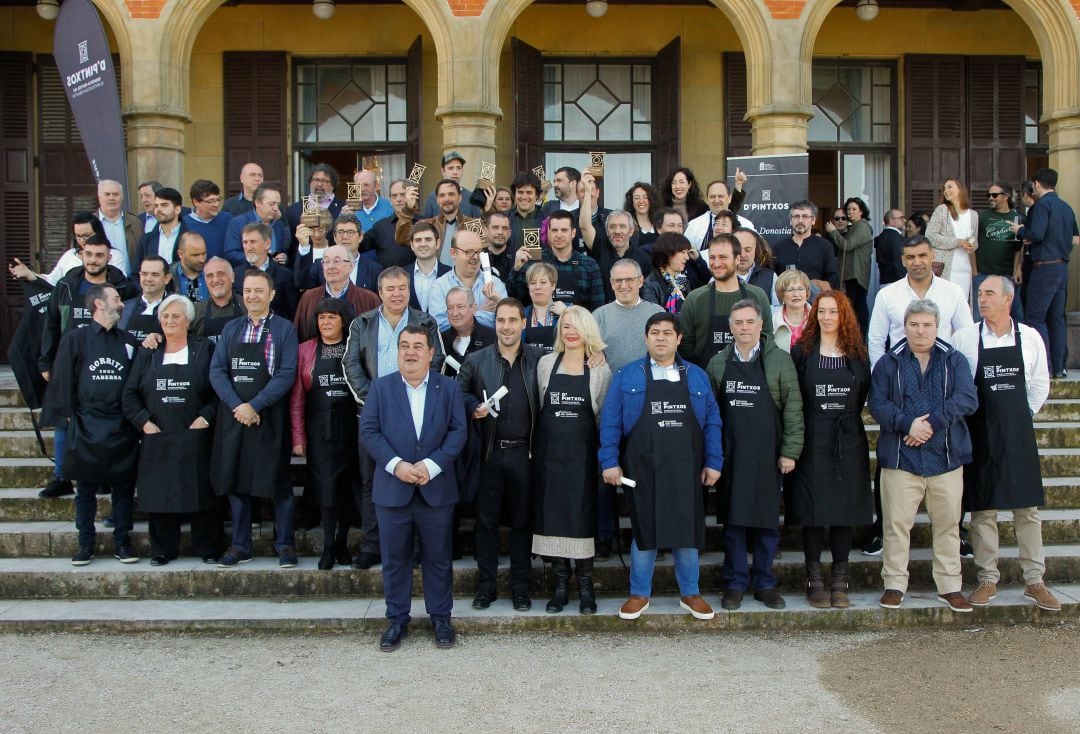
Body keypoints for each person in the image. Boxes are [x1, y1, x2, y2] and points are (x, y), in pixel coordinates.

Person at [599, 312, 722, 621]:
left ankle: (690, 593)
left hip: (687, 467)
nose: (661, 338)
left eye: (668, 332)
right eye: (655, 332)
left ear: (679, 339)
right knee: (645, 530)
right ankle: (639, 594)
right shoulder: (626, 376)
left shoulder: (697, 376)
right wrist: (609, 461)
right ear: (646, 338)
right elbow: (610, 423)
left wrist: (714, 461)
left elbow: (712, 424)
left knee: (688, 531)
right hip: (642, 467)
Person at [952, 276, 1060, 612]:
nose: (982, 300)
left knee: (1027, 509)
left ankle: (1035, 580)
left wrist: (1020, 415)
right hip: (980, 432)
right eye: (980, 294)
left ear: (1007, 299)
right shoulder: (965, 338)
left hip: (1018, 433)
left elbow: (1040, 383)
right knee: (983, 509)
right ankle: (987, 578)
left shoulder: (1029, 338)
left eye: (989, 294)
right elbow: (958, 386)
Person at [863, 235, 974, 556]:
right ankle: (882, 530)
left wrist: (963, 382)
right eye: (910, 257)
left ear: (932, 255)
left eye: (923, 255)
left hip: (944, 385)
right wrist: (881, 382)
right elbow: (875, 339)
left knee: (953, 463)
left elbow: (966, 338)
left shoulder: (952, 292)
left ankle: (960, 530)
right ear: (903, 260)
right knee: (890, 463)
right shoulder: (888, 294)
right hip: (899, 384)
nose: (917, 262)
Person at [360, 325, 468, 651]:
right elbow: (369, 431)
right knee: (394, 559)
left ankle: (440, 619)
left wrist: (430, 466)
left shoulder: (448, 388)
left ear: (431, 353)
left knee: (438, 558)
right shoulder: (381, 388)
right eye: (404, 345)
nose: (410, 352)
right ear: (397, 352)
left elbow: (458, 433)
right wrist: (398, 465)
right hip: (393, 488)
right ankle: (396, 619)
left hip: (436, 489)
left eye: (418, 346)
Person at [868, 299, 978, 612]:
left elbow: (967, 398)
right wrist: (907, 424)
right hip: (901, 458)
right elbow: (877, 403)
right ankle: (894, 584)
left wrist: (930, 424)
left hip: (945, 457)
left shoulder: (953, 360)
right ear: (905, 326)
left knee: (948, 526)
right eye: (914, 324)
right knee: (896, 525)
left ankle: (949, 585)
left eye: (927, 324)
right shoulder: (889, 363)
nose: (920, 330)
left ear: (937, 326)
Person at [342, 266, 444, 569]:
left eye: (402, 288)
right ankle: (373, 545)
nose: (396, 294)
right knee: (371, 481)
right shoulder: (363, 322)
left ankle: (413, 548)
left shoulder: (424, 322)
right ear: (380, 291)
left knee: (414, 479)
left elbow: (435, 361)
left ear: (408, 290)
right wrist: (374, 402)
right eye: (390, 289)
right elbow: (351, 365)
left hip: (415, 414)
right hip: (372, 416)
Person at [707, 299, 803, 610]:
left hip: (768, 455)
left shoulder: (780, 361)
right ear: (730, 327)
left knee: (766, 524)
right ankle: (734, 583)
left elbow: (793, 409)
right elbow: (710, 416)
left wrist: (789, 451)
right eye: (738, 323)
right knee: (734, 524)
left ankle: (765, 583)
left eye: (750, 322)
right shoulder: (718, 363)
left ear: (761, 325)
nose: (744, 328)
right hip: (732, 455)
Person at [41, 284, 139, 565]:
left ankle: (123, 542)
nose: (121, 304)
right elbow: (62, 382)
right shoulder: (75, 339)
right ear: (99, 304)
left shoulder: (127, 339)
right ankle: (85, 544)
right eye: (116, 299)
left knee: (123, 488)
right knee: (84, 489)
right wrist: (71, 419)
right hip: (86, 423)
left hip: (121, 425)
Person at [209, 269, 300, 568]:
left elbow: (287, 373)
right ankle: (240, 545)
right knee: (237, 483)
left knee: (279, 484)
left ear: (271, 294)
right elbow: (217, 371)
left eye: (259, 291)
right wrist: (238, 406)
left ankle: (285, 544)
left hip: (270, 418)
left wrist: (256, 405)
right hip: (235, 418)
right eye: (247, 291)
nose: (252, 296)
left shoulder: (284, 329)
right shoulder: (231, 329)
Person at [457, 299, 543, 611]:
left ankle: (521, 587)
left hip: (525, 453)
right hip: (489, 454)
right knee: (486, 523)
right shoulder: (477, 360)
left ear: (524, 323)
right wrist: (472, 408)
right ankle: (487, 587)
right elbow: (458, 393)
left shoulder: (539, 359)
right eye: (500, 320)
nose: (506, 326)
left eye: (512, 320)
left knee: (523, 523)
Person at [122, 295, 222, 565]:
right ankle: (163, 549)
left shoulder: (205, 349)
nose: (169, 321)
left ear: (188, 320)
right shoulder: (148, 350)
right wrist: (143, 422)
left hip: (195, 434)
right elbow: (129, 393)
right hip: (158, 436)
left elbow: (219, 390)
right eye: (165, 317)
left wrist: (206, 417)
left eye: (175, 316)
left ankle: (208, 548)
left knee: (201, 492)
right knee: (160, 494)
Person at [787, 291, 872, 608]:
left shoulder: (857, 354)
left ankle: (840, 580)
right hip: (812, 439)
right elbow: (794, 398)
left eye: (833, 312)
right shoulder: (801, 352)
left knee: (844, 511)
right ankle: (814, 580)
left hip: (847, 438)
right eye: (821, 311)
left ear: (843, 315)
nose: (826, 317)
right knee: (813, 512)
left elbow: (863, 393)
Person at [37, 236, 136, 500]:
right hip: (71, 358)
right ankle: (61, 476)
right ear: (81, 255)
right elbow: (50, 323)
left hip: (106, 359)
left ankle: (100, 472)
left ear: (108, 257)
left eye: (99, 255)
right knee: (63, 418)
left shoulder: (122, 287)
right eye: (88, 254)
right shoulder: (66, 285)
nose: (93, 260)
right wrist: (46, 361)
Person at [533, 306, 612, 614]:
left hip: (583, 460)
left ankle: (585, 587)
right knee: (551, 520)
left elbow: (604, 416)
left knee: (582, 522)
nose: (570, 331)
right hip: (549, 458)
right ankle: (560, 585)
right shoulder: (545, 364)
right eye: (565, 326)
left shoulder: (599, 370)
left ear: (587, 330)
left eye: (576, 326)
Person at [593, 259, 664, 558]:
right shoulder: (599, 316)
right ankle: (606, 536)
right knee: (605, 475)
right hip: (610, 407)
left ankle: (652, 533)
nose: (623, 285)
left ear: (640, 281)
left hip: (649, 409)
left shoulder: (656, 314)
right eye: (617, 281)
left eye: (629, 280)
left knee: (649, 477)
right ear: (610, 284)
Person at [290, 298, 360, 570]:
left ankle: (342, 541)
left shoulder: (353, 347)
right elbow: (297, 399)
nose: (326, 323)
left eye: (332, 317)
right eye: (322, 318)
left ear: (343, 320)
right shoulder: (306, 350)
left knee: (346, 489)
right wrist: (298, 437)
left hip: (351, 428)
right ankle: (329, 546)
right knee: (327, 491)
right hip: (319, 431)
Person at [1012, 168, 1078, 378]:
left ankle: (1044, 367)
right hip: (1061, 266)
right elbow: (1073, 238)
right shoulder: (1066, 207)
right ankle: (1059, 367)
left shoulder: (1042, 205)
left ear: (1037, 184)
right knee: (1057, 317)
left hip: (1045, 266)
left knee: (1035, 317)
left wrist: (1020, 231)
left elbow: (1036, 234)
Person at [677, 234, 772, 368]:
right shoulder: (695, 299)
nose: (716, 263)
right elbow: (685, 344)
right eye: (712, 257)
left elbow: (767, 339)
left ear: (737, 259)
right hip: (706, 380)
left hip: (748, 381)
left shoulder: (757, 295)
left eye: (723, 257)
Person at [508, 210, 605, 312]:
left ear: (573, 233)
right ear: (548, 233)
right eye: (554, 230)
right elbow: (515, 297)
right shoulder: (534, 261)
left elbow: (597, 310)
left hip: (577, 326)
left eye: (564, 230)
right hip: (541, 326)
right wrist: (517, 268)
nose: (559, 235)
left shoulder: (589, 265)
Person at [291, 244, 381, 342]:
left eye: (337, 261)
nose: (330, 267)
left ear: (351, 266)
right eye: (326, 261)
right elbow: (298, 337)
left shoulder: (369, 299)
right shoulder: (309, 298)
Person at [579, 181, 652, 301]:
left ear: (631, 230)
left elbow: (648, 291)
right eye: (612, 227)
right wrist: (587, 192)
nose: (617, 231)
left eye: (622, 226)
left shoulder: (643, 258)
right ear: (607, 231)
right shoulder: (599, 247)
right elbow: (584, 226)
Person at [7, 212, 124, 285]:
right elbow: (52, 281)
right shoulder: (70, 255)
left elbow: (118, 283)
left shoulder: (114, 255)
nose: (82, 240)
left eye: (87, 235)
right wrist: (28, 273)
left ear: (98, 232)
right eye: (78, 236)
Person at [428, 230, 507, 332]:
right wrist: (477, 313)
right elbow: (440, 326)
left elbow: (504, 324)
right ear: (453, 253)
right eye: (468, 252)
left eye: (478, 251)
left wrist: (460, 318)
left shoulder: (495, 284)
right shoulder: (440, 286)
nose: (475, 257)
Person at [295, 211, 382, 293]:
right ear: (334, 237)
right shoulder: (320, 264)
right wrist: (304, 246)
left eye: (350, 232)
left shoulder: (374, 269)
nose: (345, 236)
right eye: (340, 232)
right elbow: (302, 283)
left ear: (360, 237)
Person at [974, 183, 1024, 322]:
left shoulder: (1017, 218)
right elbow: (972, 244)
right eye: (988, 195)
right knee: (979, 315)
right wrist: (974, 272)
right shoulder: (982, 216)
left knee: (1015, 313)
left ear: (1006, 196)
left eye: (995, 195)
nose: (991, 198)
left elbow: (1019, 248)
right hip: (983, 274)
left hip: (1007, 275)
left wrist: (1017, 269)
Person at [232, 222, 300, 321]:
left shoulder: (285, 275)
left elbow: (293, 313)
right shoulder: (236, 275)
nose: (248, 247)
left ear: (267, 243)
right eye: (245, 242)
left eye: (253, 242)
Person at [825, 197, 873, 334]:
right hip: (851, 274)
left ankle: (860, 343)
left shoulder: (862, 226)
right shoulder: (855, 227)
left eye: (854, 209)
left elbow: (847, 245)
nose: (850, 212)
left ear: (861, 212)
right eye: (849, 209)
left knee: (858, 311)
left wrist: (833, 231)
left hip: (856, 275)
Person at [927, 178, 979, 301]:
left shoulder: (973, 215)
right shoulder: (942, 210)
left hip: (965, 270)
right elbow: (930, 236)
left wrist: (972, 246)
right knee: (943, 305)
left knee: (961, 306)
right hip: (945, 269)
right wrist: (958, 242)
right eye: (944, 188)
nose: (946, 190)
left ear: (960, 189)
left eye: (950, 187)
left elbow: (975, 241)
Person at [772, 201, 839, 292]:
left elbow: (834, 279)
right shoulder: (779, 248)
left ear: (813, 220)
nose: (800, 220)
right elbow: (772, 279)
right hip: (786, 303)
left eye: (805, 216)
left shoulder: (825, 246)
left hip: (816, 303)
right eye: (796, 216)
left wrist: (817, 284)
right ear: (791, 221)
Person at [398, 179, 465, 266]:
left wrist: (487, 212)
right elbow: (402, 239)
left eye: (451, 194)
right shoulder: (426, 224)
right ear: (437, 200)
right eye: (442, 195)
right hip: (435, 278)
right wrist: (408, 210)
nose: (447, 199)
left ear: (460, 198)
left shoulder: (473, 224)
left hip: (464, 278)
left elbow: (486, 251)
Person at [283, 163, 345, 252]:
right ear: (310, 182)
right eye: (316, 180)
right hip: (301, 263)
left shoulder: (344, 208)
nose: (319, 184)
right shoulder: (293, 210)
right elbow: (289, 242)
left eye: (325, 181)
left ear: (333, 185)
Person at [223, 184, 289, 268]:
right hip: (248, 274)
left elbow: (281, 250)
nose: (276, 208)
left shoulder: (278, 224)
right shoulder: (238, 223)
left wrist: (283, 257)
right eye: (272, 204)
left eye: (278, 204)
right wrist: (256, 259)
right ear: (257, 203)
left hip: (273, 275)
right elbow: (230, 254)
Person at [684, 174, 752, 250]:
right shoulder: (694, 226)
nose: (716, 200)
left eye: (720, 196)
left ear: (729, 198)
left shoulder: (746, 225)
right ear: (707, 200)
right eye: (712, 197)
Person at [441, 286, 495, 378]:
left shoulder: (492, 338)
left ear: (473, 308)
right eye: (450, 308)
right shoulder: (440, 340)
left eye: (460, 307)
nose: (454, 313)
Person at [362, 179, 418, 268]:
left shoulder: (423, 223)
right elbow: (360, 246)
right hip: (388, 279)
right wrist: (349, 221)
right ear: (390, 200)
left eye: (403, 195)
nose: (398, 199)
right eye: (394, 196)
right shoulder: (380, 226)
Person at [192, 256, 246, 343]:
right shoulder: (196, 312)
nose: (215, 280)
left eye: (220, 274)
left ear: (232, 277)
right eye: (210, 276)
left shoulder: (247, 306)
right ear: (205, 281)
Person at [118, 255, 171, 343]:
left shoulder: (176, 308)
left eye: (155, 275)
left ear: (167, 278)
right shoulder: (124, 308)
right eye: (144, 274)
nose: (148, 279)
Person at [134, 187, 187, 271]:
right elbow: (136, 273)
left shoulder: (190, 237)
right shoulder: (146, 240)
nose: (158, 209)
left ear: (177, 209)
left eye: (164, 205)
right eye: (156, 206)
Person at [95, 179, 141, 276]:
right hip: (97, 282)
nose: (111, 198)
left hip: (130, 282)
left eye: (115, 194)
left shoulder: (135, 222)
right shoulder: (89, 223)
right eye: (107, 194)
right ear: (99, 197)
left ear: (122, 197)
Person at [641, 232, 695, 314]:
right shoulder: (650, 285)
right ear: (669, 253)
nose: (687, 258)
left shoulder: (683, 281)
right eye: (683, 252)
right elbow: (654, 317)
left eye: (687, 253)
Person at [421, 150, 482, 219]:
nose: (455, 172)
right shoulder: (432, 197)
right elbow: (425, 227)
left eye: (459, 168)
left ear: (462, 170)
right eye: (451, 168)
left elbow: (478, 228)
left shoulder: (471, 198)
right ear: (443, 171)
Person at [183, 179, 234, 260]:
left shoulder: (228, 220)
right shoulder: (184, 224)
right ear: (196, 202)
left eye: (218, 200)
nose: (216, 204)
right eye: (211, 201)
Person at [407, 222, 451, 312]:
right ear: (412, 245)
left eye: (428, 239)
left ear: (438, 243)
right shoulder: (402, 274)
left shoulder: (451, 274)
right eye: (418, 240)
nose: (423, 244)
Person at [521, 263, 561, 353]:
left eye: (543, 282)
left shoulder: (568, 309)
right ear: (528, 286)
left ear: (553, 285)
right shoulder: (522, 315)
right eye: (533, 283)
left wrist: (566, 313)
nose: (537, 287)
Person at [771, 269, 811, 353]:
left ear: (806, 292)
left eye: (800, 289)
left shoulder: (818, 318)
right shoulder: (772, 321)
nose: (796, 294)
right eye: (790, 290)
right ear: (781, 295)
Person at [735, 228, 778, 306]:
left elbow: (777, 310)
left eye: (747, 250)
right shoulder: (720, 277)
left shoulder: (770, 277)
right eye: (738, 250)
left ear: (755, 250)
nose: (742, 255)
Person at [507, 172, 544, 251]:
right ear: (514, 194)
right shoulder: (505, 217)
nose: (524, 197)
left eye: (529, 192)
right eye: (520, 192)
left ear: (537, 195)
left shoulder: (546, 218)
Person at [171, 232, 209, 303]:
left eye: (204, 254)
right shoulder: (168, 275)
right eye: (195, 255)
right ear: (181, 254)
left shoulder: (213, 273)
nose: (202, 260)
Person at [351, 169, 393, 233]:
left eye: (366, 185)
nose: (362, 189)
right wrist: (344, 218)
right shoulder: (350, 208)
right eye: (358, 185)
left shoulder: (390, 207)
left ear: (376, 186)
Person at [625, 183, 662, 248]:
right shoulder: (627, 225)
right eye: (636, 198)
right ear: (631, 201)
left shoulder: (660, 223)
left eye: (645, 197)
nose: (641, 201)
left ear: (651, 200)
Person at [875, 209, 906, 285]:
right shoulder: (896, 237)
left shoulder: (881, 237)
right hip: (896, 283)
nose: (904, 220)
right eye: (901, 218)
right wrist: (904, 283)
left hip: (884, 281)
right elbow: (899, 262)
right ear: (892, 221)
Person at [483, 211, 515, 280]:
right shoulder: (478, 258)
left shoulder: (516, 258)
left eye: (504, 228)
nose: (500, 232)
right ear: (485, 231)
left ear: (509, 233)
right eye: (495, 227)